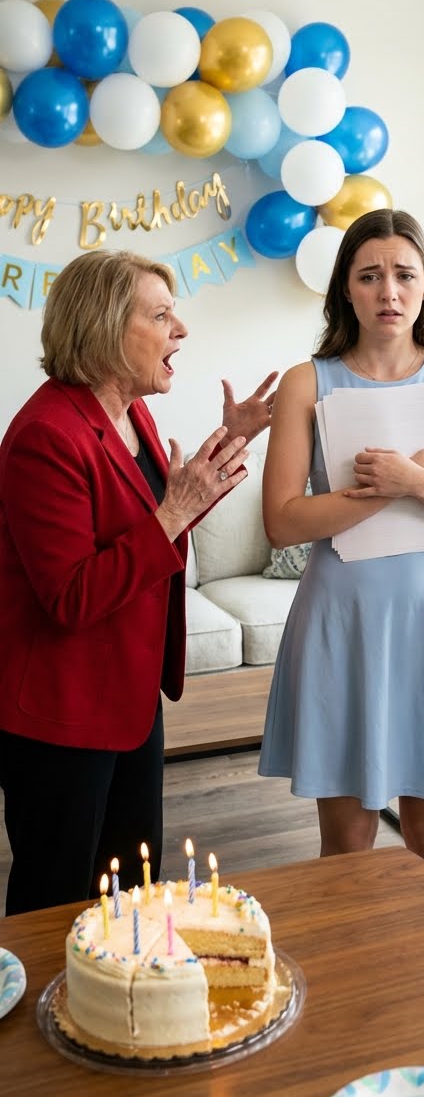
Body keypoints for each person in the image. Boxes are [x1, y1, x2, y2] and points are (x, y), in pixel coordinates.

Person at [0, 250, 277, 915]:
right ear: (104, 328)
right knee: (55, 897)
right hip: (63, 711)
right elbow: (73, 597)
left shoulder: (131, 414)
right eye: (160, 316)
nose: (180, 329)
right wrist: (175, 510)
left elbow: (155, 524)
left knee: (130, 886)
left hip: (128, 693)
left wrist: (228, 444)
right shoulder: (45, 436)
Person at [258, 208, 424, 885]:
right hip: (341, 621)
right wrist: (393, 485)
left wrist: (417, 482)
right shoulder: (306, 382)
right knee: (346, 848)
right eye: (370, 276)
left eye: (405, 274)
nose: (389, 292)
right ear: (346, 288)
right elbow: (282, 523)